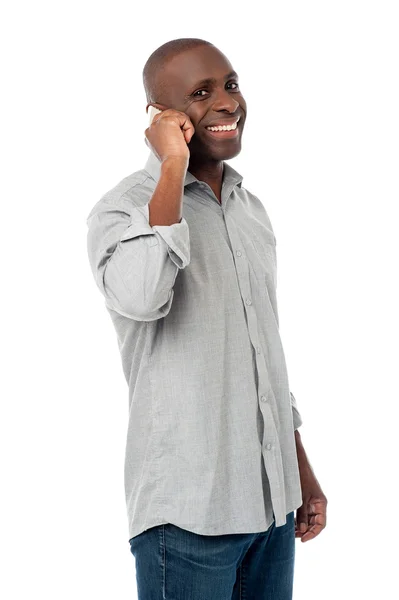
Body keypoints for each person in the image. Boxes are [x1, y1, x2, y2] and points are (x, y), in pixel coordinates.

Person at [86, 37, 327, 600]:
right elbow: (144, 295)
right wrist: (173, 162)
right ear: (161, 116)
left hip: (271, 511)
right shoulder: (122, 208)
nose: (227, 102)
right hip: (187, 516)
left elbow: (263, 354)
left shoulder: (250, 209)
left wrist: (300, 472)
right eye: (201, 93)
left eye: (232, 85)